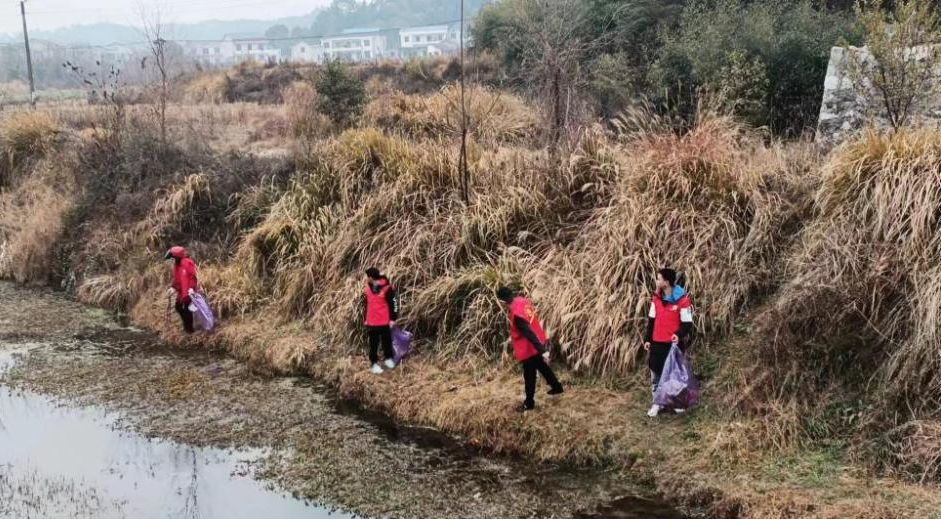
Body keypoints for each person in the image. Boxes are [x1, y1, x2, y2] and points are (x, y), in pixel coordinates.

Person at [497, 287, 564, 413]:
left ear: (502, 302)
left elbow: (528, 333)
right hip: (537, 338)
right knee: (542, 366)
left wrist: (542, 350)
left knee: (529, 375)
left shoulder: (516, 315)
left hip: (529, 346)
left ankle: (529, 403)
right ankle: (557, 387)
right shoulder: (522, 300)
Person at [644, 268, 694, 418]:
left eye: (659, 279)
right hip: (657, 344)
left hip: (673, 345)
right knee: (656, 375)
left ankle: (676, 402)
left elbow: (687, 323)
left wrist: (678, 335)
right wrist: (647, 339)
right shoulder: (656, 299)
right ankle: (657, 403)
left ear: (666, 282)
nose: (656, 281)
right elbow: (651, 321)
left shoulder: (682, 300)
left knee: (675, 375)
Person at [363, 267, 399, 375]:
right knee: (373, 344)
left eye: (367, 277)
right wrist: (366, 318)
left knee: (386, 341)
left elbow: (394, 303)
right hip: (371, 322)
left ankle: (388, 359)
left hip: (384, 321)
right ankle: (373, 363)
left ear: (370, 277)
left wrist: (393, 318)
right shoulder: (367, 289)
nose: (366, 279)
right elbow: (367, 305)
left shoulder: (387, 288)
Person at [165, 246, 199, 334]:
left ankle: (190, 330)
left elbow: (193, 277)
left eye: (173, 258)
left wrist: (192, 288)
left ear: (177, 257)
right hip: (182, 292)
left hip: (189, 292)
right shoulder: (177, 265)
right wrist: (173, 287)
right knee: (178, 307)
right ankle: (186, 325)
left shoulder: (187, 263)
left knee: (188, 311)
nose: (172, 260)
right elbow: (177, 280)